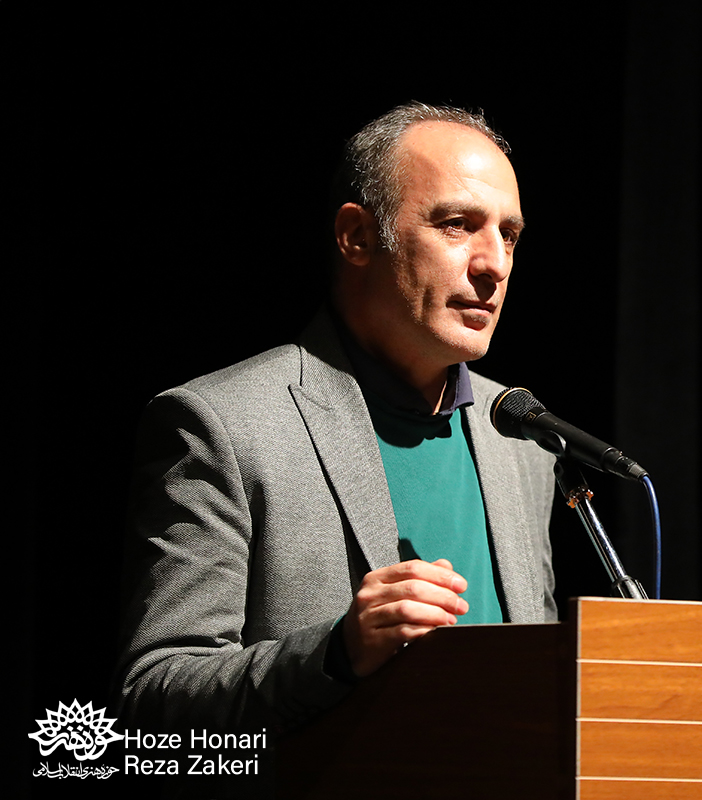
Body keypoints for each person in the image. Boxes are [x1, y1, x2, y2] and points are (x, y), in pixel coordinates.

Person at [115, 103, 557, 735]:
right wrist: (335, 653)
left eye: (508, 234)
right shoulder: (223, 424)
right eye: (457, 225)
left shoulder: (521, 439)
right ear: (356, 237)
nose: (495, 264)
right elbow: (153, 697)